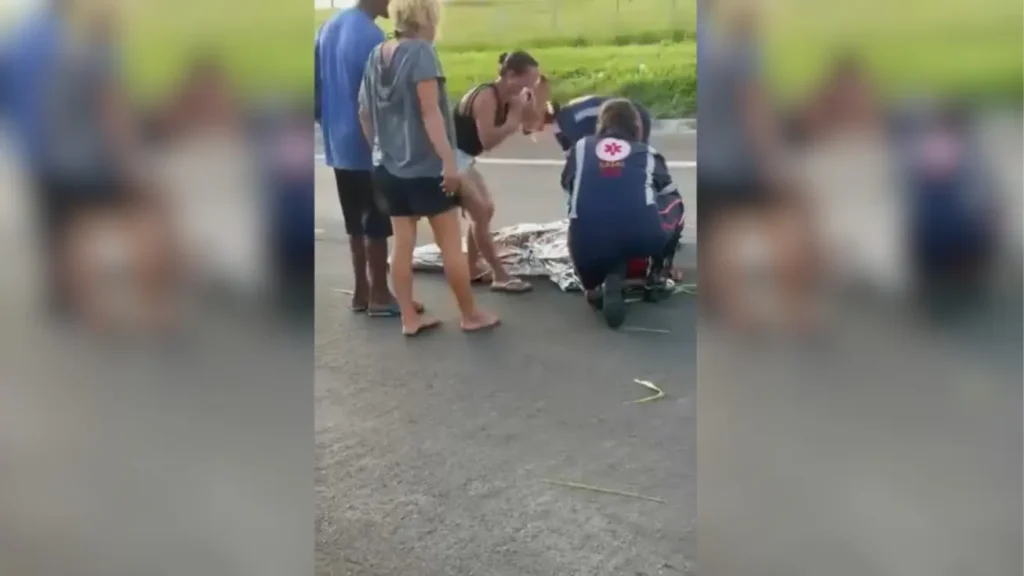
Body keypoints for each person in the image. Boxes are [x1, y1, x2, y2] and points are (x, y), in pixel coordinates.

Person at [358, 0, 499, 336]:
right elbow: (430, 113)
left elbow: (363, 111)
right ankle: (469, 315)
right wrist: (449, 162)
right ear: (428, 16)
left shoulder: (377, 54)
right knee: (449, 244)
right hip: (425, 169)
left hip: (388, 167)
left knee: (402, 246)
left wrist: (378, 149)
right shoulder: (421, 53)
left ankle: (409, 318)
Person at [316, 0, 409, 316]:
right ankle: (380, 294)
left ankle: (361, 291)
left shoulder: (328, 27)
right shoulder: (372, 36)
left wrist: (328, 121)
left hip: (337, 140)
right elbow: (381, 97)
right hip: (367, 143)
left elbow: (315, 87)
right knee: (376, 221)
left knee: (354, 220)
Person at [560, 99, 683, 328]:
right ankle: (658, 275)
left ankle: (591, 287)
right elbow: (666, 190)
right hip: (642, 237)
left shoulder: (581, 148)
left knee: (575, 206)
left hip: (585, 243)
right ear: (637, 126)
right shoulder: (648, 153)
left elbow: (567, 184)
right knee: (673, 200)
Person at [451, 51, 540, 293]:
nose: (529, 87)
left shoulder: (510, 97)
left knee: (485, 210)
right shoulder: (486, 96)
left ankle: (471, 268)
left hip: (464, 158)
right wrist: (512, 121)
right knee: (481, 212)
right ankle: (500, 276)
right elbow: (488, 140)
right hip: (449, 157)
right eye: (527, 81)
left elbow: (531, 127)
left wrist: (528, 106)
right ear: (510, 75)